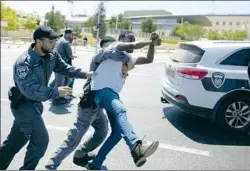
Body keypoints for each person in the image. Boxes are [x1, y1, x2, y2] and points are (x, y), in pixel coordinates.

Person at [0, 26, 95, 170]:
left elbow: (66, 69)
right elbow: (30, 91)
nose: (55, 43)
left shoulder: (52, 56)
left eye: (56, 40)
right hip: (24, 106)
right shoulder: (25, 62)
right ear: (39, 41)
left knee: (15, 141)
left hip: (35, 106)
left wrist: (85, 74)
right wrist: (57, 92)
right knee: (40, 140)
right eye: (51, 41)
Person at [45, 36, 134, 170]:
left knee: (102, 132)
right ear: (103, 46)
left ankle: (81, 154)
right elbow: (111, 53)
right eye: (109, 46)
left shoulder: (114, 62)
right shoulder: (100, 56)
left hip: (98, 107)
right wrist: (126, 56)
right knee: (74, 137)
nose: (112, 50)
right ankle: (52, 164)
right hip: (88, 106)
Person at [84, 31, 161, 170]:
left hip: (111, 94)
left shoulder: (128, 59)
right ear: (121, 40)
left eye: (133, 37)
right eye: (129, 38)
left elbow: (149, 59)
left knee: (117, 133)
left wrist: (152, 46)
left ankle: (96, 164)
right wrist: (150, 42)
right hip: (102, 91)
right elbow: (134, 45)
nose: (132, 39)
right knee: (121, 109)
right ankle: (136, 146)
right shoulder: (115, 46)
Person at [50, 29, 77, 104]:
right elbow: (70, 55)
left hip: (57, 64)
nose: (72, 37)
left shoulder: (60, 40)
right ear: (68, 34)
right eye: (72, 35)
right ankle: (56, 99)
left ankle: (63, 94)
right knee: (60, 82)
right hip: (61, 65)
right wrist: (74, 56)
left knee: (67, 80)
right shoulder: (66, 42)